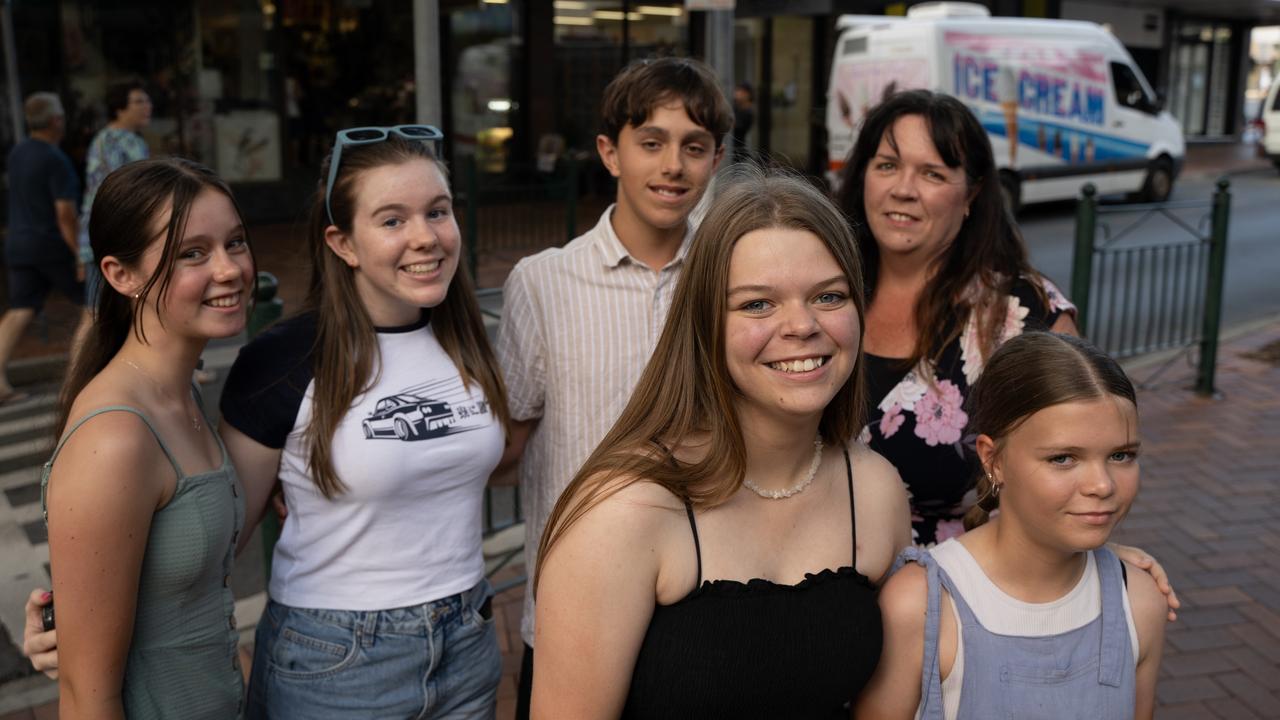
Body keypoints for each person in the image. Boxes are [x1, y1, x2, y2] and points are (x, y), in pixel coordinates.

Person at [532, 166, 913, 718]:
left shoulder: (874, 489)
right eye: (757, 304)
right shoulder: (624, 511)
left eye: (828, 296)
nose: (802, 325)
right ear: (705, 324)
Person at [219, 126, 510, 718]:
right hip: (337, 657)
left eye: (438, 211)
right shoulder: (283, 360)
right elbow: (217, 539)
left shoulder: (466, 336)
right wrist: (85, 614)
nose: (426, 237)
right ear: (343, 242)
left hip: (468, 638)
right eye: (392, 220)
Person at [494, 55, 732, 719]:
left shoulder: (732, 279)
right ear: (610, 152)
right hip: (576, 608)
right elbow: (505, 439)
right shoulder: (542, 282)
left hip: (702, 602)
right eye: (650, 143)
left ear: (716, 160)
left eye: (694, 147)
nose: (672, 167)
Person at [857, 332, 1167, 719]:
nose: (1102, 485)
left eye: (1121, 455)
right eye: (1063, 458)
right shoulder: (921, 605)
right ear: (993, 459)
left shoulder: (1138, 602)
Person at [42, 157, 255, 718]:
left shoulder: (179, 396)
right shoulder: (116, 437)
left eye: (235, 243)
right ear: (120, 275)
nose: (230, 269)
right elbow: (85, 695)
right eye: (193, 253)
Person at [0, 92, 92, 404]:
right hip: (51, 245)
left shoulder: (18, 153)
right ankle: (79, 380)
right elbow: (65, 214)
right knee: (93, 305)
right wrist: (80, 252)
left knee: (20, 310)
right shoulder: (55, 159)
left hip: (19, 243)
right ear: (56, 121)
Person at [80, 79, 152, 307]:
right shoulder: (110, 140)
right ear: (119, 108)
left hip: (123, 235)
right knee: (96, 313)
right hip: (110, 236)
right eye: (138, 101)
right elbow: (120, 192)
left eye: (147, 100)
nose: (147, 106)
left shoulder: (130, 140)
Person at [731, 81, 755, 162]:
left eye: (740, 91)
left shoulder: (748, 112)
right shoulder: (735, 108)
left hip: (738, 151)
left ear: (747, 94)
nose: (737, 93)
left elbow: (737, 126)